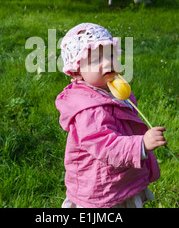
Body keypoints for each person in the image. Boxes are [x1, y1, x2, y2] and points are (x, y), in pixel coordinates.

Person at [55, 23, 167, 208]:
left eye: (111, 55)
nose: (107, 63)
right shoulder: (88, 110)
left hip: (120, 177)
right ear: (77, 71)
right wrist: (141, 144)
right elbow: (105, 146)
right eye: (96, 60)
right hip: (100, 187)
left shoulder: (114, 89)